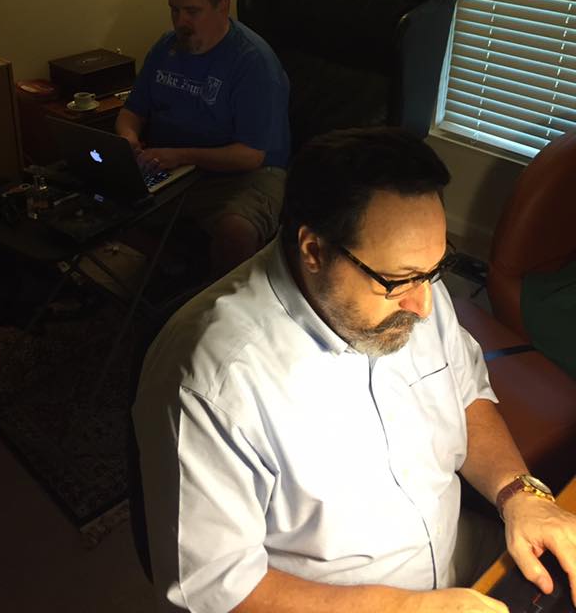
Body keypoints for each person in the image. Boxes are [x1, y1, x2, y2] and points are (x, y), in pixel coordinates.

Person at [133, 127, 576, 613]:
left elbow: (466, 391)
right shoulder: (211, 381)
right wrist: (406, 609)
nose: (424, 306)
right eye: (398, 281)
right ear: (314, 250)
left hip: (463, 557)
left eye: (434, 271)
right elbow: (214, 586)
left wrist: (520, 494)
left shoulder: (413, 287)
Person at [115, 0, 290, 274]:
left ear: (222, 7)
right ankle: (170, 270)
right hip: (173, 169)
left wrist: (180, 155)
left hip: (245, 175)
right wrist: (128, 139)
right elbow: (132, 111)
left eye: (192, 11)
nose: (180, 22)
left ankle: (215, 298)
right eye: (174, 10)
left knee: (236, 230)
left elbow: (250, 155)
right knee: (102, 198)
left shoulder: (253, 63)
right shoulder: (166, 48)